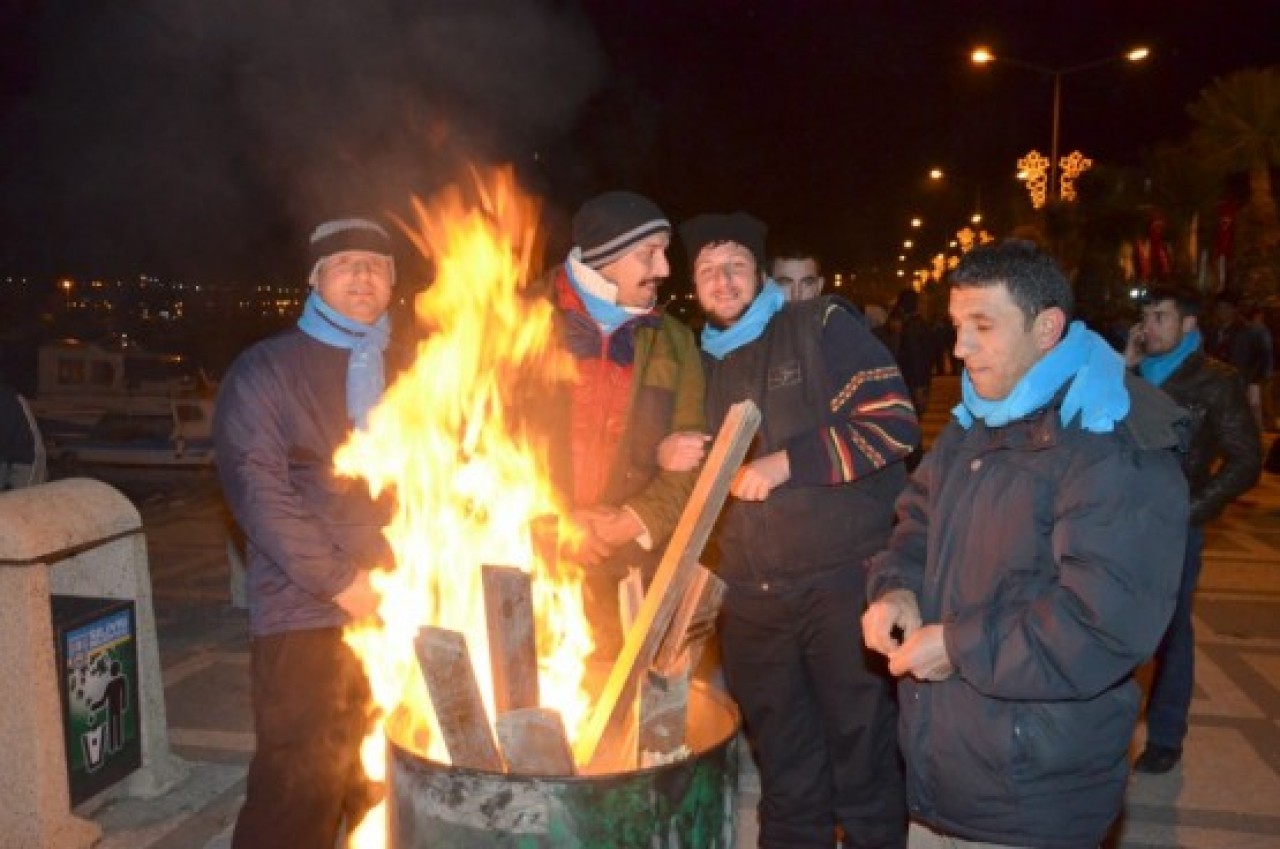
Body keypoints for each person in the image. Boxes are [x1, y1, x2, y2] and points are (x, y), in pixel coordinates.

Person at [863, 240, 1189, 849]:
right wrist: (896, 589)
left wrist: (957, 648)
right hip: (944, 774)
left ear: (1046, 328)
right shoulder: (978, 418)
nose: (959, 347)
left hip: (1033, 791)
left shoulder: (1110, 441)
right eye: (958, 326)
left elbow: (1102, 623)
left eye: (982, 326)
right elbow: (917, 522)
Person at [682, 210, 918, 848]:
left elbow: (894, 423)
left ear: (761, 275)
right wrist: (672, 453)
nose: (723, 281)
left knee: (862, 754)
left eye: (735, 267)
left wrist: (789, 462)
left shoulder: (819, 328)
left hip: (839, 586)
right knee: (786, 766)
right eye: (708, 270)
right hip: (750, 600)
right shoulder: (695, 361)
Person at [214, 217, 398, 849]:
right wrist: (341, 580)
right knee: (297, 790)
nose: (364, 275)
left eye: (377, 264)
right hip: (303, 613)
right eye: (346, 264)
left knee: (387, 784)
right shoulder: (265, 369)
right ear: (314, 279)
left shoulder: (423, 367)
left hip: (404, 608)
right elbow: (258, 490)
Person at [529, 190, 706, 660]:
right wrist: (553, 524)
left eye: (663, 252)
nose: (665, 269)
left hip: (632, 566)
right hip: (528, 560)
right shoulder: (516, 324)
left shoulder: (674, 341)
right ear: (604, 258)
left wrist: (633, 521)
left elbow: (691, 459)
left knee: (624, 709)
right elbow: (478, 444)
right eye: (648, 254)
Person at [1124, 285, 1260, 774]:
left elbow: (1246, 460)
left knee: (1171, 631)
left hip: (1175, 529)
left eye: (1160, 317)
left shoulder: (1217, 382)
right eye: (1144, 317)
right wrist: (1125, 364)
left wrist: (1190, 510)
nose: (1148, 327)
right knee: (1109, 619)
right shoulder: (1131, 372)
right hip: (1118, 522)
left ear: (1188, 325)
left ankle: (1165, 735)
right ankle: (1110, 725)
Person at [0, 381, 45, 490]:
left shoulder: (7, 400)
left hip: (24, 462)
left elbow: (27, 446)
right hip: (5, 461)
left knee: (21, 502)